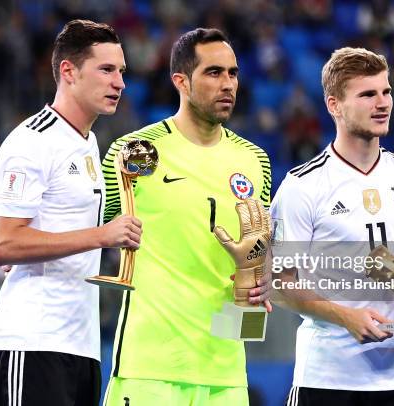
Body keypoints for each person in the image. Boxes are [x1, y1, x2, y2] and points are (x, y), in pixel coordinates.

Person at [270, 47, 394, 406]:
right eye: (367, 94)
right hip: (327, 379)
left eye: (386, 91)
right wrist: (346, 317)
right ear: (334, 105)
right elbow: (282, 283)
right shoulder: (302, 186)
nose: (382, 102)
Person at [101, 28, 272, 405]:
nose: (228, 84)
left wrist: (261, 280)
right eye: (214, 73)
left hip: (225, 372)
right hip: (150, 367)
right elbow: (92, 230)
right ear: (181, 81)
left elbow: (256, 257)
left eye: (233, 73)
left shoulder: (254, 160)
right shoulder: (135, 152)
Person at [0, 20, 142, 406]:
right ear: (68, 72)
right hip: (33, 342)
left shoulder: (88, 143)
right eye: (106, 70)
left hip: (81, 345)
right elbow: (3, 244)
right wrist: (102, 235)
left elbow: (40, 233)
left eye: (121, 71)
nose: (119, 82)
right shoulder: (32, 142)